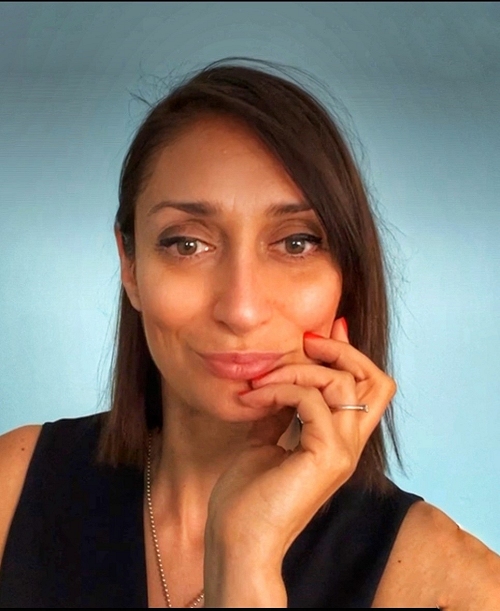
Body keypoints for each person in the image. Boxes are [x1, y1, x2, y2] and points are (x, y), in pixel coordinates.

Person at [0, 58, 498, 609]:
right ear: (131, 266)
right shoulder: (13, 487)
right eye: (187, 244)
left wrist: (247, 555)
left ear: (347, 275)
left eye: (296, 243)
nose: (241, 309)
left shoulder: (453, 585)